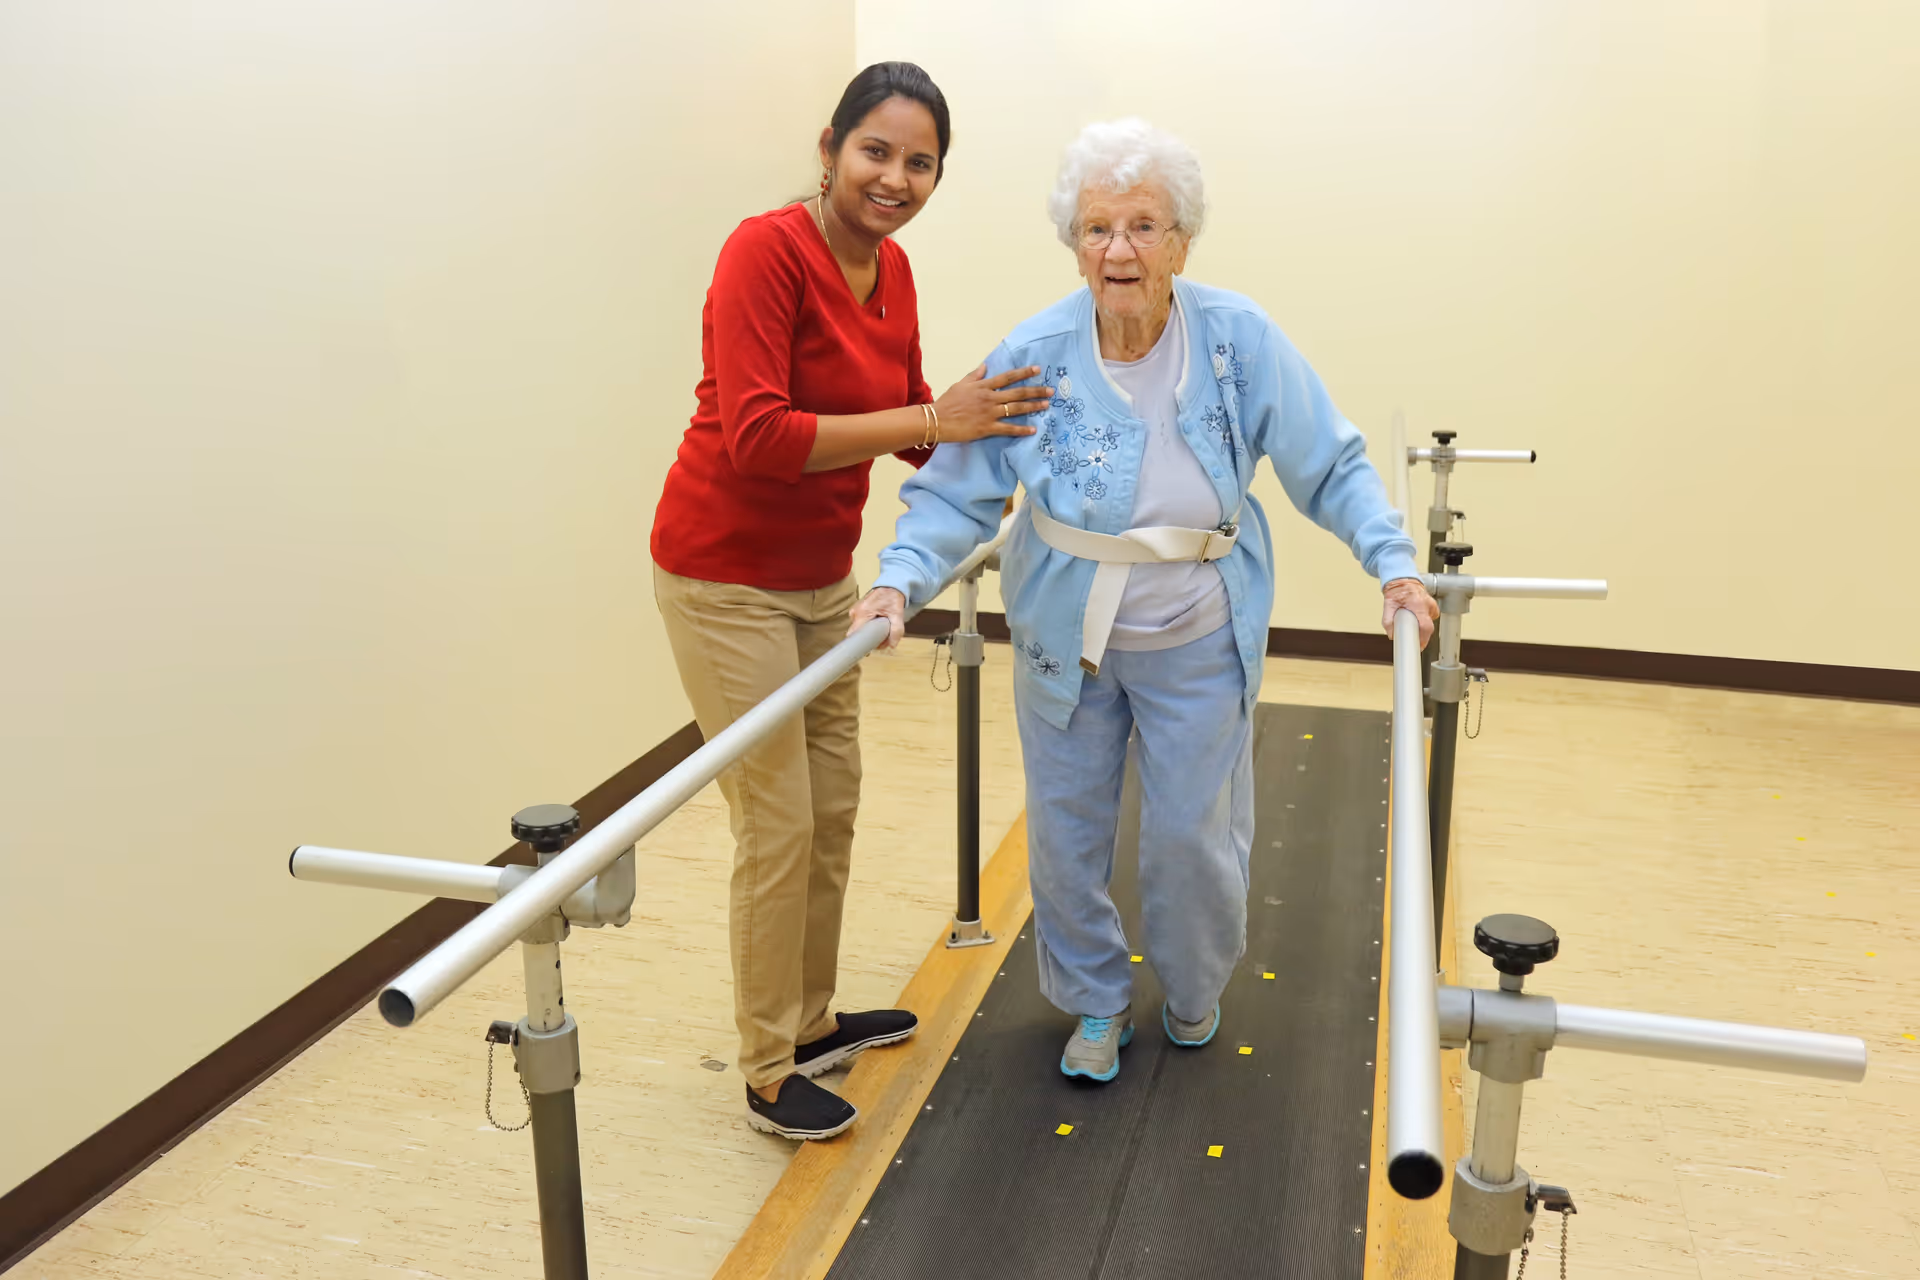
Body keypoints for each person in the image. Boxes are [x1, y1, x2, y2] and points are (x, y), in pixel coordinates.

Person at [852, 118, 1439, 1083]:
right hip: (1063, 635)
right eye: (1097, 229)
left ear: (1182, 243)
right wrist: (897, 581)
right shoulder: (1034, 352)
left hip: (1197, 629)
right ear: (1073, 242)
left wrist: (1394, 564)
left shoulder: (1238, 340)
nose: (1118, 251)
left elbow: (1329, 463)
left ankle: (1194, 984)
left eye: (1142, 227)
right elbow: (957, 492)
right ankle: (1095, 1000)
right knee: (1066, 832)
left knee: (1191, 837)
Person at [650, 63, 1052, 1139]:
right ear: (829, 149)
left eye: (920, 163)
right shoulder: (765, 251)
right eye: (876, 151)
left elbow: (911, 419)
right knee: (777, 822)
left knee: (831, 806)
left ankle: (811, 1021)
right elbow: (760, 436)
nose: (895, 178)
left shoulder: (895, 268)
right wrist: (938, 418)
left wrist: (1014, 438)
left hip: (820, 578)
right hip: (724, 579)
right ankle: (766, 1068)